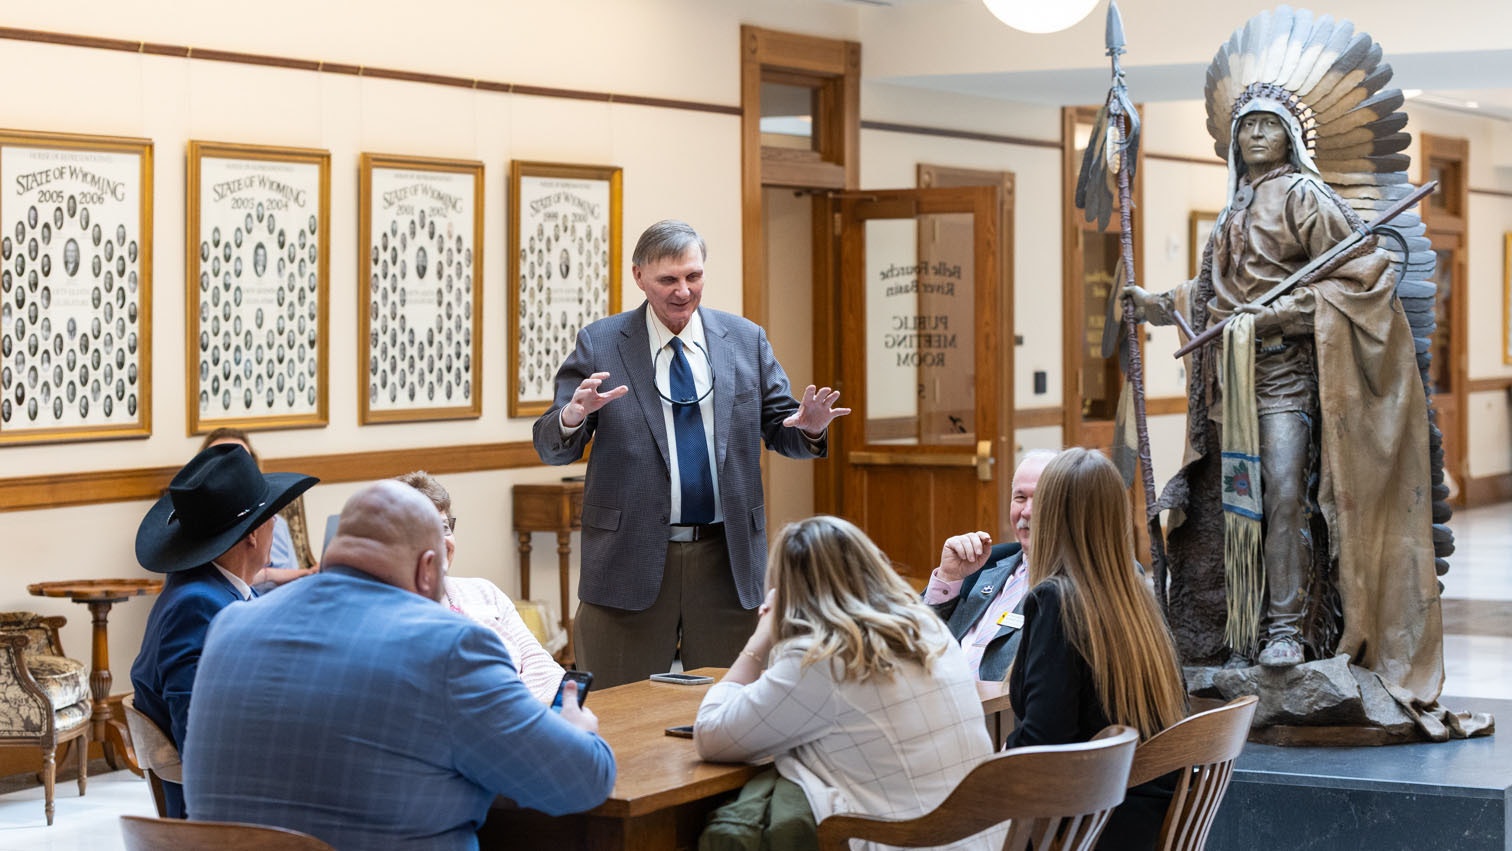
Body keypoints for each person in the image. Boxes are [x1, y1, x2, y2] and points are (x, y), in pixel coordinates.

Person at [1124, 92, 1440, 678]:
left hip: (1287, 381)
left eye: (1270, 125)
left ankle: (1287, 631)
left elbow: (1362, 278)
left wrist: (1279, 314)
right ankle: (1235, 629)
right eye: (1248, 127)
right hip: (1231, 387)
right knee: (1236, 505)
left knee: (1284, 497)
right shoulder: (1234, 208)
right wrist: (1157, 305)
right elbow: (1214, 295)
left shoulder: (1304, 196)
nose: (1257, 136)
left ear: (1291, 135)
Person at [183, 481, 615, 850]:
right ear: (430, 568)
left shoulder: (230, 625)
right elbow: (581, 781)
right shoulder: (451, 646)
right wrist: (579, 732)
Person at [532, 219, 849, 688]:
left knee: (735, 704)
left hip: (727, 557)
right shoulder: (601, 343)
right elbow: (550, 446)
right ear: (639, 276)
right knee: (621, 710)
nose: (683, 291)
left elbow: (783, 429)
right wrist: (574, 416)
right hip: (629, 560)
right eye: (668, 280)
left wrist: (810, 429)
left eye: (693, 277)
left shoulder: (744, 339)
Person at [695, 515, 997, 849]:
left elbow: (711, 735)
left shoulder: (822, 657)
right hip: (984, 838)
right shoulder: (927, 628)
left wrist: (760, 639)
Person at [1003, 448, 1188, 851]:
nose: (1029, 514)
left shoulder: (1056, 600)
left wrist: (984, 764)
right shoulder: (1135, 595)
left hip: (1084, 831)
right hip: (1140, 821)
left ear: (1051, 515)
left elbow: (1043, 743)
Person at [129, 443, 317, 818]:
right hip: (224, 814)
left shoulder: (208, 589)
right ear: (252, 534)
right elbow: (199, 738)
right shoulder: (196, 606)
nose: (276, 523)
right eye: (271, 515)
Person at [395, 470, 565, 703]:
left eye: (444, 528)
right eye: (425, 530)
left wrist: (520, 711)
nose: (440, 540)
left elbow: (544, 668)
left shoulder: (485, 592)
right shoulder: (394, 609)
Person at [924, 450, 1055, 681]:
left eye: (1042, 498)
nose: (1026, 511)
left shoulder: (1084, 581)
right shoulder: (983, 563)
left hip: (999, 712)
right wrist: (948, 578)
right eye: (1020, 498)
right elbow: (912, 639)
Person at [199, 427, 315, 590]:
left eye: (240, 461)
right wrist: (273, 575)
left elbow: (293, 581)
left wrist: (308, 574)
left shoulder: (275, 522)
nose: (230, 471)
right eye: (221, 461)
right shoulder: (194, 529)